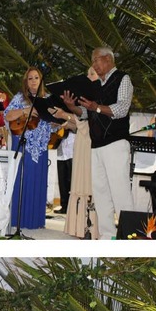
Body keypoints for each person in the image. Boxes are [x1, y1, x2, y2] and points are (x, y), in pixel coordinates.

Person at [61, 47, 134, 238]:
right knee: (101, 193)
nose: (93, 65)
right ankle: (107, 236)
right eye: (92, 61)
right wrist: (72, 107)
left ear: (108, 59)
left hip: (115, 143)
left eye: (96, 60)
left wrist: (97, 108)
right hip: (96, 145)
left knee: (120, 191)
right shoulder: (95, 86)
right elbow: (86, 113)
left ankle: (129, 238)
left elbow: (122, 108)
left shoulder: (122, 78)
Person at [4, 67, 55, 229]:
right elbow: (8, 115)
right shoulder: (20, 97)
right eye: (30, 78)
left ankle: (35, 221)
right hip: (22, 144)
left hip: (40, 147)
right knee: (21, 180)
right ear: (26, 82)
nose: (33, 81)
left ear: (41, 81)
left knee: (37, 181)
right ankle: (18, 220)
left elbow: (54, 124)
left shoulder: (48, 99)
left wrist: (56, 121)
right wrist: (25, 110)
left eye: (36, 78)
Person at [57, 67, 100, 238]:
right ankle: (79, 226)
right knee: (79, 182)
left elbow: (87, 122)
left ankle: (92, 227)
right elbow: (79, 125)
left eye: (92, 74)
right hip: (81, 142)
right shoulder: (85, 98)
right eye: (87, 74)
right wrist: (60, 119)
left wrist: (65, 115)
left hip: (92, 142)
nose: (88, 77)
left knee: (89, 183)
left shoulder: (100, 97)